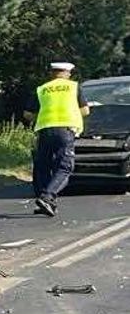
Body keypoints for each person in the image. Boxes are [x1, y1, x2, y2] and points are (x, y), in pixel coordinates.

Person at [29, 61, 89, 216]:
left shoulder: (42, 89)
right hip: (65, 130)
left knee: (43, 165)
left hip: (45, 130)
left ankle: (45, 200)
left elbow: (28, 114)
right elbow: (85, 110)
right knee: (64, 167)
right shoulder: (73, 87)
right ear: (67, 73)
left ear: (52, 73)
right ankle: (47, 197)